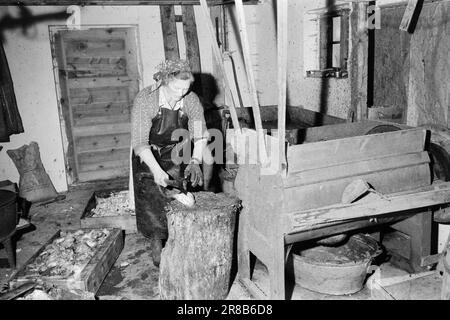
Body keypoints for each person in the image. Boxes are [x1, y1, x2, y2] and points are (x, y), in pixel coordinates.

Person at [130, 59, 209, 267]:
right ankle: (156, 242)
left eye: (186, 88)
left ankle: (181, 241)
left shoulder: (191, 99)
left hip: (177, 151)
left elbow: (200, 134)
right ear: (163, 82)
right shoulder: (146, 99)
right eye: (177, 88)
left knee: (179, 195)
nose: (181, 93)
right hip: (149, 153)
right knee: (152, 201)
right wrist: (156, 170)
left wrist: (195, 160)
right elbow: (139, 143)